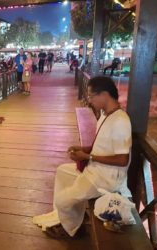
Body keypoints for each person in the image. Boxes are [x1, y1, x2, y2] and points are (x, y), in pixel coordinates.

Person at [32, 76, 132, 238]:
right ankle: (72, 217)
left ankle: (73, 229)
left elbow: (122, 160)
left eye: (92, 96)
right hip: (95, 169)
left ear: (104, 94)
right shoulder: (106, 115)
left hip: (106, 179)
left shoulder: (120, 121)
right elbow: (101, 145)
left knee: (63, 200)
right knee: (62, 171)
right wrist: (83, 149)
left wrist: (87, 156)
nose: (90, 100)